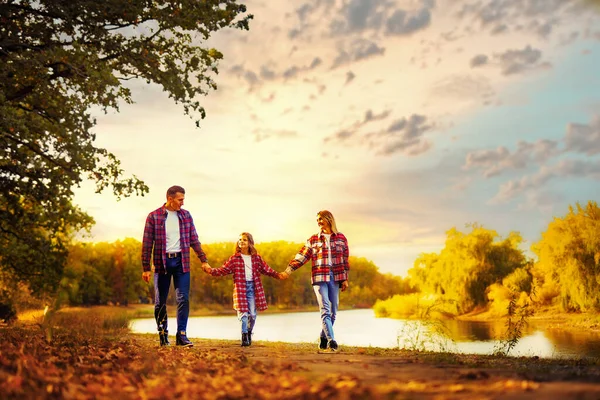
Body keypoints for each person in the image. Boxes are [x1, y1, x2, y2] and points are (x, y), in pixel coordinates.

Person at [141, 185, 211, 347]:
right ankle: (163, 334)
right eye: (180, 200)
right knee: (160, 302)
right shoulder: (154, 217)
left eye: (183, 199)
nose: (183, 203)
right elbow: (146, 244)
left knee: (183, 299)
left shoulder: (186, 216)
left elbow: (194, 239)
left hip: (182, 262)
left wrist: (203, 259)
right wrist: (145, 267)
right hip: (161, 263)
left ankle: (181, 335)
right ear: (170, 199)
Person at [281, 210, 349, 351]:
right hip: (319, 276)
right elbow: (302, 256)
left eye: (321, 219)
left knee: (333, 311)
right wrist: (289, 269)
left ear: (329, 219)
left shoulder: (341, 238)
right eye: (317, 220)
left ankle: (323, 337)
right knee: (325, 308)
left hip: (335, 277)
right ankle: (332, 340)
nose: (318, 222)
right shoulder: (313, 239)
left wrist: (345, 279)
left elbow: (345, 260)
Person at [202, 232, 281, 346]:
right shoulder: (234, 258)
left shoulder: (256, 258)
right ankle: (244, 337)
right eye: (240, 240)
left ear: (250, 242)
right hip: (240, 289)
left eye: (244, 239)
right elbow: (222, 270)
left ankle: (249, 332)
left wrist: (279, 275)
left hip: (253, 288)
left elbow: (267, 269)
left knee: (253, 315)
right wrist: (210, 270)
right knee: (243, 314)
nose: (241, 241)